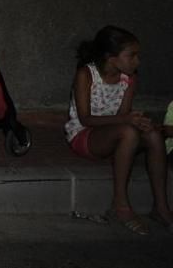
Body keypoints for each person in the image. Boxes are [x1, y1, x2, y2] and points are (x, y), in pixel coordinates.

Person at [63, 26, 173, 234]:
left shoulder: (129, 78)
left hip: (114, 133)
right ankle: (120, 205)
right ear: (111, 58)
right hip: (84, 134)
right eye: (131, 56)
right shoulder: (86, 74)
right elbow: (85, 119)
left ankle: (161, 207)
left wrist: (138, 122)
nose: (137, 61)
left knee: (153, 135)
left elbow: (124, 115)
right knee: (128, 132)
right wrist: (127, 120)